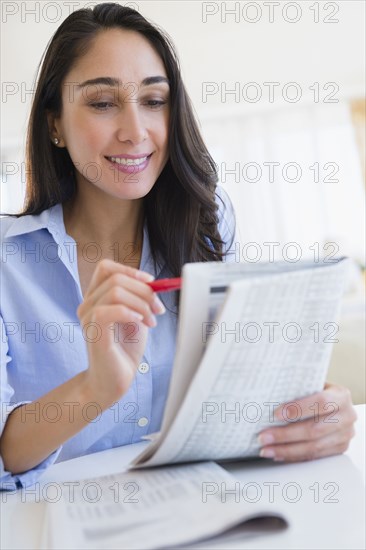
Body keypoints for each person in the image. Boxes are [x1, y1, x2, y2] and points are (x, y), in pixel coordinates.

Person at [0, 3, 356, 490]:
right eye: (102, 102)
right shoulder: (7, 263)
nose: (135, 130)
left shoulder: (207, 228)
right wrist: (97, 387)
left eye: (154, 100)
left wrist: (317, 412)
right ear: (55, 124)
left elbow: (245, 393)